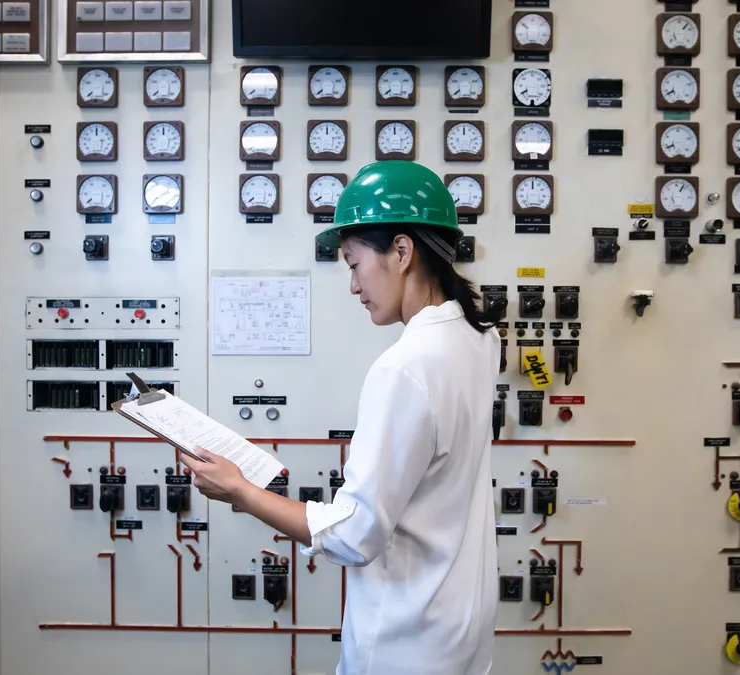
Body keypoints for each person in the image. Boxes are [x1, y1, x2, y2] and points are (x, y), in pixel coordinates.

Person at [177, 160, 502, 675]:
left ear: (401, 251)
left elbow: (355, 536)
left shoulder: (404, 368)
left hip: (403, 645)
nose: (353, 286)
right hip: (461, 633)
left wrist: (240, 491)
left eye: (354, 264)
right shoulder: (481, 339)